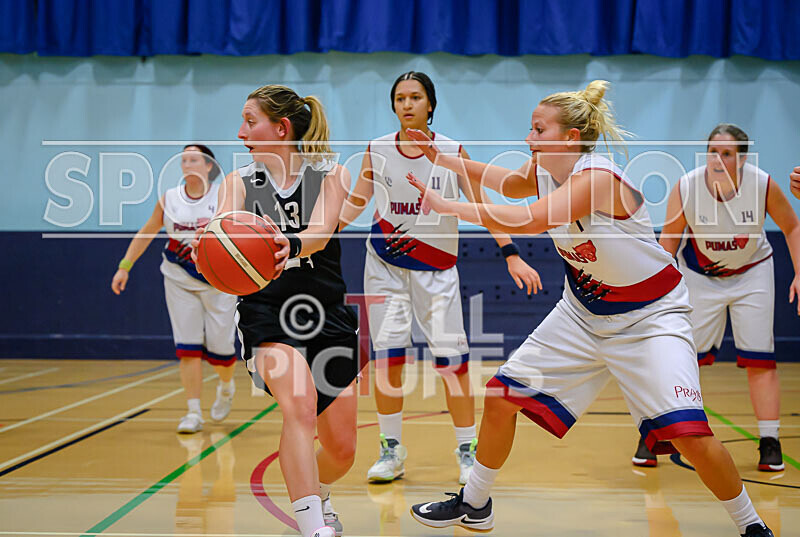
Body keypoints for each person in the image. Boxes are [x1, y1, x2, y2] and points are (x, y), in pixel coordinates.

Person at [405, 81, 775, 536]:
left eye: (538, 130)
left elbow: (531, 218)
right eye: (530, 129)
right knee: (502, 398)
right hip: (582, 313)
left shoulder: (597, 177)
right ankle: (475, 502)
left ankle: (752, 526)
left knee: (690, 436)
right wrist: (442, 158)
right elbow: (507, 182)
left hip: (650, 318)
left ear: (571, 138)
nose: (529, 138)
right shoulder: (542, 168)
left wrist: (448, 205)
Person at [338, 71, 541, 485]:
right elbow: (354, 204)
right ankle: (391, 451)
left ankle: (467, 451)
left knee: (453, 365)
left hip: (436, 272)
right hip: (384, 267)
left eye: (415, 97)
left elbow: (483, 206)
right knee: (388, 360)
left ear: (430, 104)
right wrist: (311, 238)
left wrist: (511, 253)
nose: (407, 104)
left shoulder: (451, 151)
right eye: (399, 98)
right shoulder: (376, 150)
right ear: (393, 105)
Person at [192, 85, 359, 537]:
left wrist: (291, 243)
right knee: (300, 406)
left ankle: (317, 494)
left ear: (280, 128)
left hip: (328, 315)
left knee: (343, 450)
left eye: (250, 121)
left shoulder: (332, 175)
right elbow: (221, 237)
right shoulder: (237, 183)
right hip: (268, 316)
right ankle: (310, 526)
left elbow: (322, 233)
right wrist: (211, 252)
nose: (240, 131)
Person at [631, 124, 800, 470]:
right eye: (713, 152)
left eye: (727, 154)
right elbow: (669, 243)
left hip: (753, 273)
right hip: (700, 278)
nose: (718, 159)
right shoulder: (687, 186)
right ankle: (657, 433)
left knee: (760, 358)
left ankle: (770, 441)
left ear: (742, 159)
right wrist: (656, 293)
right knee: (678, 359)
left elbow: (792, 226)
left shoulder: (762, 184)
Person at [111, 144, 237, 434]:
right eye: (184, 160)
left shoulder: (224, 195)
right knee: (187, 347)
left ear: (209, 166)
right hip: (178, 276)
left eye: (195, 159)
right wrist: (124, 266)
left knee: (222, 348)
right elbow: (147, 231)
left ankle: (227, 386)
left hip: (218, 280)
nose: (188, 163)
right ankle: (193, 411)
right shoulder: (169, 199)